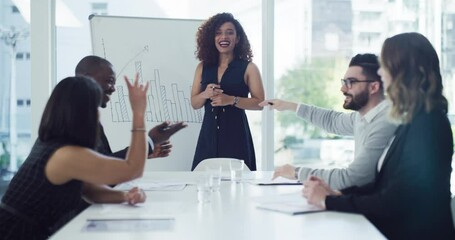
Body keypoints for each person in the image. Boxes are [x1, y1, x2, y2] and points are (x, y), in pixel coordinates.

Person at [303, 32, 455, 239]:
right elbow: (391, 186)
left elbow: (395, 200)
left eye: (385, 66)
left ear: (403, 72)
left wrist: (329, 201)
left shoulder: (428, 124)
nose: (381, 74)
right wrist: (339, 194)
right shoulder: (413, 120)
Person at [0, 75, 149, 239]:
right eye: (96, 109)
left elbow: (89, 190)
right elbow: (133, 169)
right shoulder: (66, 156)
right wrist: (138, 113)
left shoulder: (52, 145)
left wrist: (125, 196)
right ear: (85, 114)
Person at [259, 54, 397, 190]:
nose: (343, 89)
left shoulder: (385, 121)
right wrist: (290, 106)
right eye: (344, 82)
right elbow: (332, 121)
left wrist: (296, 172)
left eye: (351, 82)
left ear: (373, 87)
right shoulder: (362, 117)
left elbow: (351, 178)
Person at [190, 12, 264, 171]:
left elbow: (259, 103)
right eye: (218, 33)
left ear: (237, 39)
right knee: (202, 184)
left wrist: (231, 100)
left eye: (229, 32)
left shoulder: (249, 68)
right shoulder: (202, 67)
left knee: (239, 187)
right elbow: (194, 103)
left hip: (236, 136)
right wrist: (205, 94)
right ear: (212, 38)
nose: (224, 36)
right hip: (208, 136)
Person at [75, 55, 187, 160]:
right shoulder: (78, 116)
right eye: (109, 81)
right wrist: (150, 142)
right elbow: (100, 167)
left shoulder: (84, 112)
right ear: (87, 78)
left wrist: (144, 153)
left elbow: (104, 160)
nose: (113, 89)